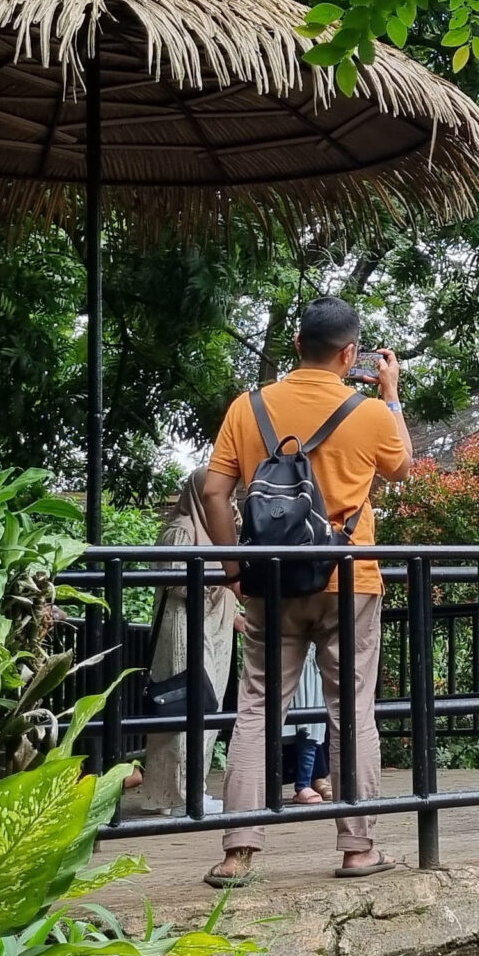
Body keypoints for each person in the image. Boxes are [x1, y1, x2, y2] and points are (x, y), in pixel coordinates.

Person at [199, 297, 410, 887]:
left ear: (297, 346)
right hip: (350, 578)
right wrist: (390, 393)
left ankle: (238, 850)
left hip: (269, 578)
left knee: (259, 705)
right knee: (352, 708)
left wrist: (234, 570)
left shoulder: (249, 408)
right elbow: (401, 468)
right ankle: (358, 847)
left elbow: (216, 493)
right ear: (351, 354)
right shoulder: (368, 412)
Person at [125, 469, 239, 818]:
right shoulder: (181, 531)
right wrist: (220, 580)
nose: (228, 502)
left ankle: (190, 791)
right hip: (184, 630)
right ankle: (178, 795)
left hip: (214, 633)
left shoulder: (221, 534)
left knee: (205, 709)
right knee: (182, 708)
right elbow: (179, 583)